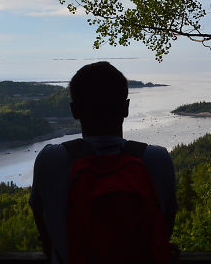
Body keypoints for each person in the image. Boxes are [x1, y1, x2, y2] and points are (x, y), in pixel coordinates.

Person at [29, 61, 177, 264]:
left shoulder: (50, 160)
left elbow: (44, 226)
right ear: (126, 108)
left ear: (74, 111)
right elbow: (164, 226)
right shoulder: (157, 159)